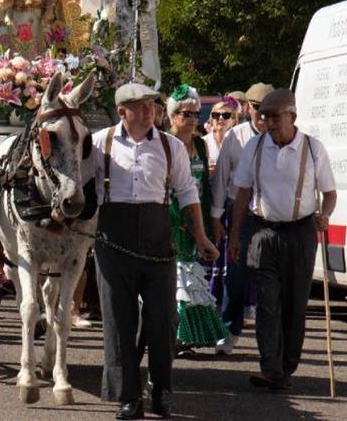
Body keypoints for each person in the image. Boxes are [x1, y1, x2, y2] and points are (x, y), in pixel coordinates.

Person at [87, 82, 220, 419]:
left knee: (162, 320)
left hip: (158, 238)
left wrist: (202, 238)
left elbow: (188, 194)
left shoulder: (170, 145)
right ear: (122, 112)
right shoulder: (98, 143)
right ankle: (128, 397)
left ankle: (161, 390)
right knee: (119, 321)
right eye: (141, 105)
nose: (150, 111)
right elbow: (77, 185)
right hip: (113, 240)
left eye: (152, 105)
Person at [229, 89, 337, 391]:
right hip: (263, 232)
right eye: (264, 117)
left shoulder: (314, 149)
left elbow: (329, 194)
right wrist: (235, 235)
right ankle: (271, 368)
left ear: (293, 116)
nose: (269, 123)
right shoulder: (255, 146)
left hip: (301, 233)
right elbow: (242, 194)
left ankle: (287, 366)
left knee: (294, 305)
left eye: (276, 117)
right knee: (267, 302)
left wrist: (324, 215)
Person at [213, 82, 273, 355]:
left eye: (267, 109)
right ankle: (229, 330)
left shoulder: (279, 136)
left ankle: (270, 340)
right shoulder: (235, 136)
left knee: (268, 279)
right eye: (257, 108)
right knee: (235, 276)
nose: (261, 115)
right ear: (248, 107)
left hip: (270, 216)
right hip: (239, 213)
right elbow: (222, 178)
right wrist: (215, 216)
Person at [166, 86, 229, 351]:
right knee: (175, 276)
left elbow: (205, 186)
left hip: (196, 218)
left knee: (191, 275)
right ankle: (174, 333)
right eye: (185, 113)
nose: (191, 119)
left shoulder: (202, 146)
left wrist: (206, 222)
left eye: (194, 113)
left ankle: (188, 334)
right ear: (172, 117)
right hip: (171, 219)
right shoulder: (164, 143)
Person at [204, 95, 239, 173]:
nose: (220, 118)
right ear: (211, 119)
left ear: (233, 121)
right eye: (216, 115)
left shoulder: (238, 143)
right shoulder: (203, 142)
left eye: (226, 115)